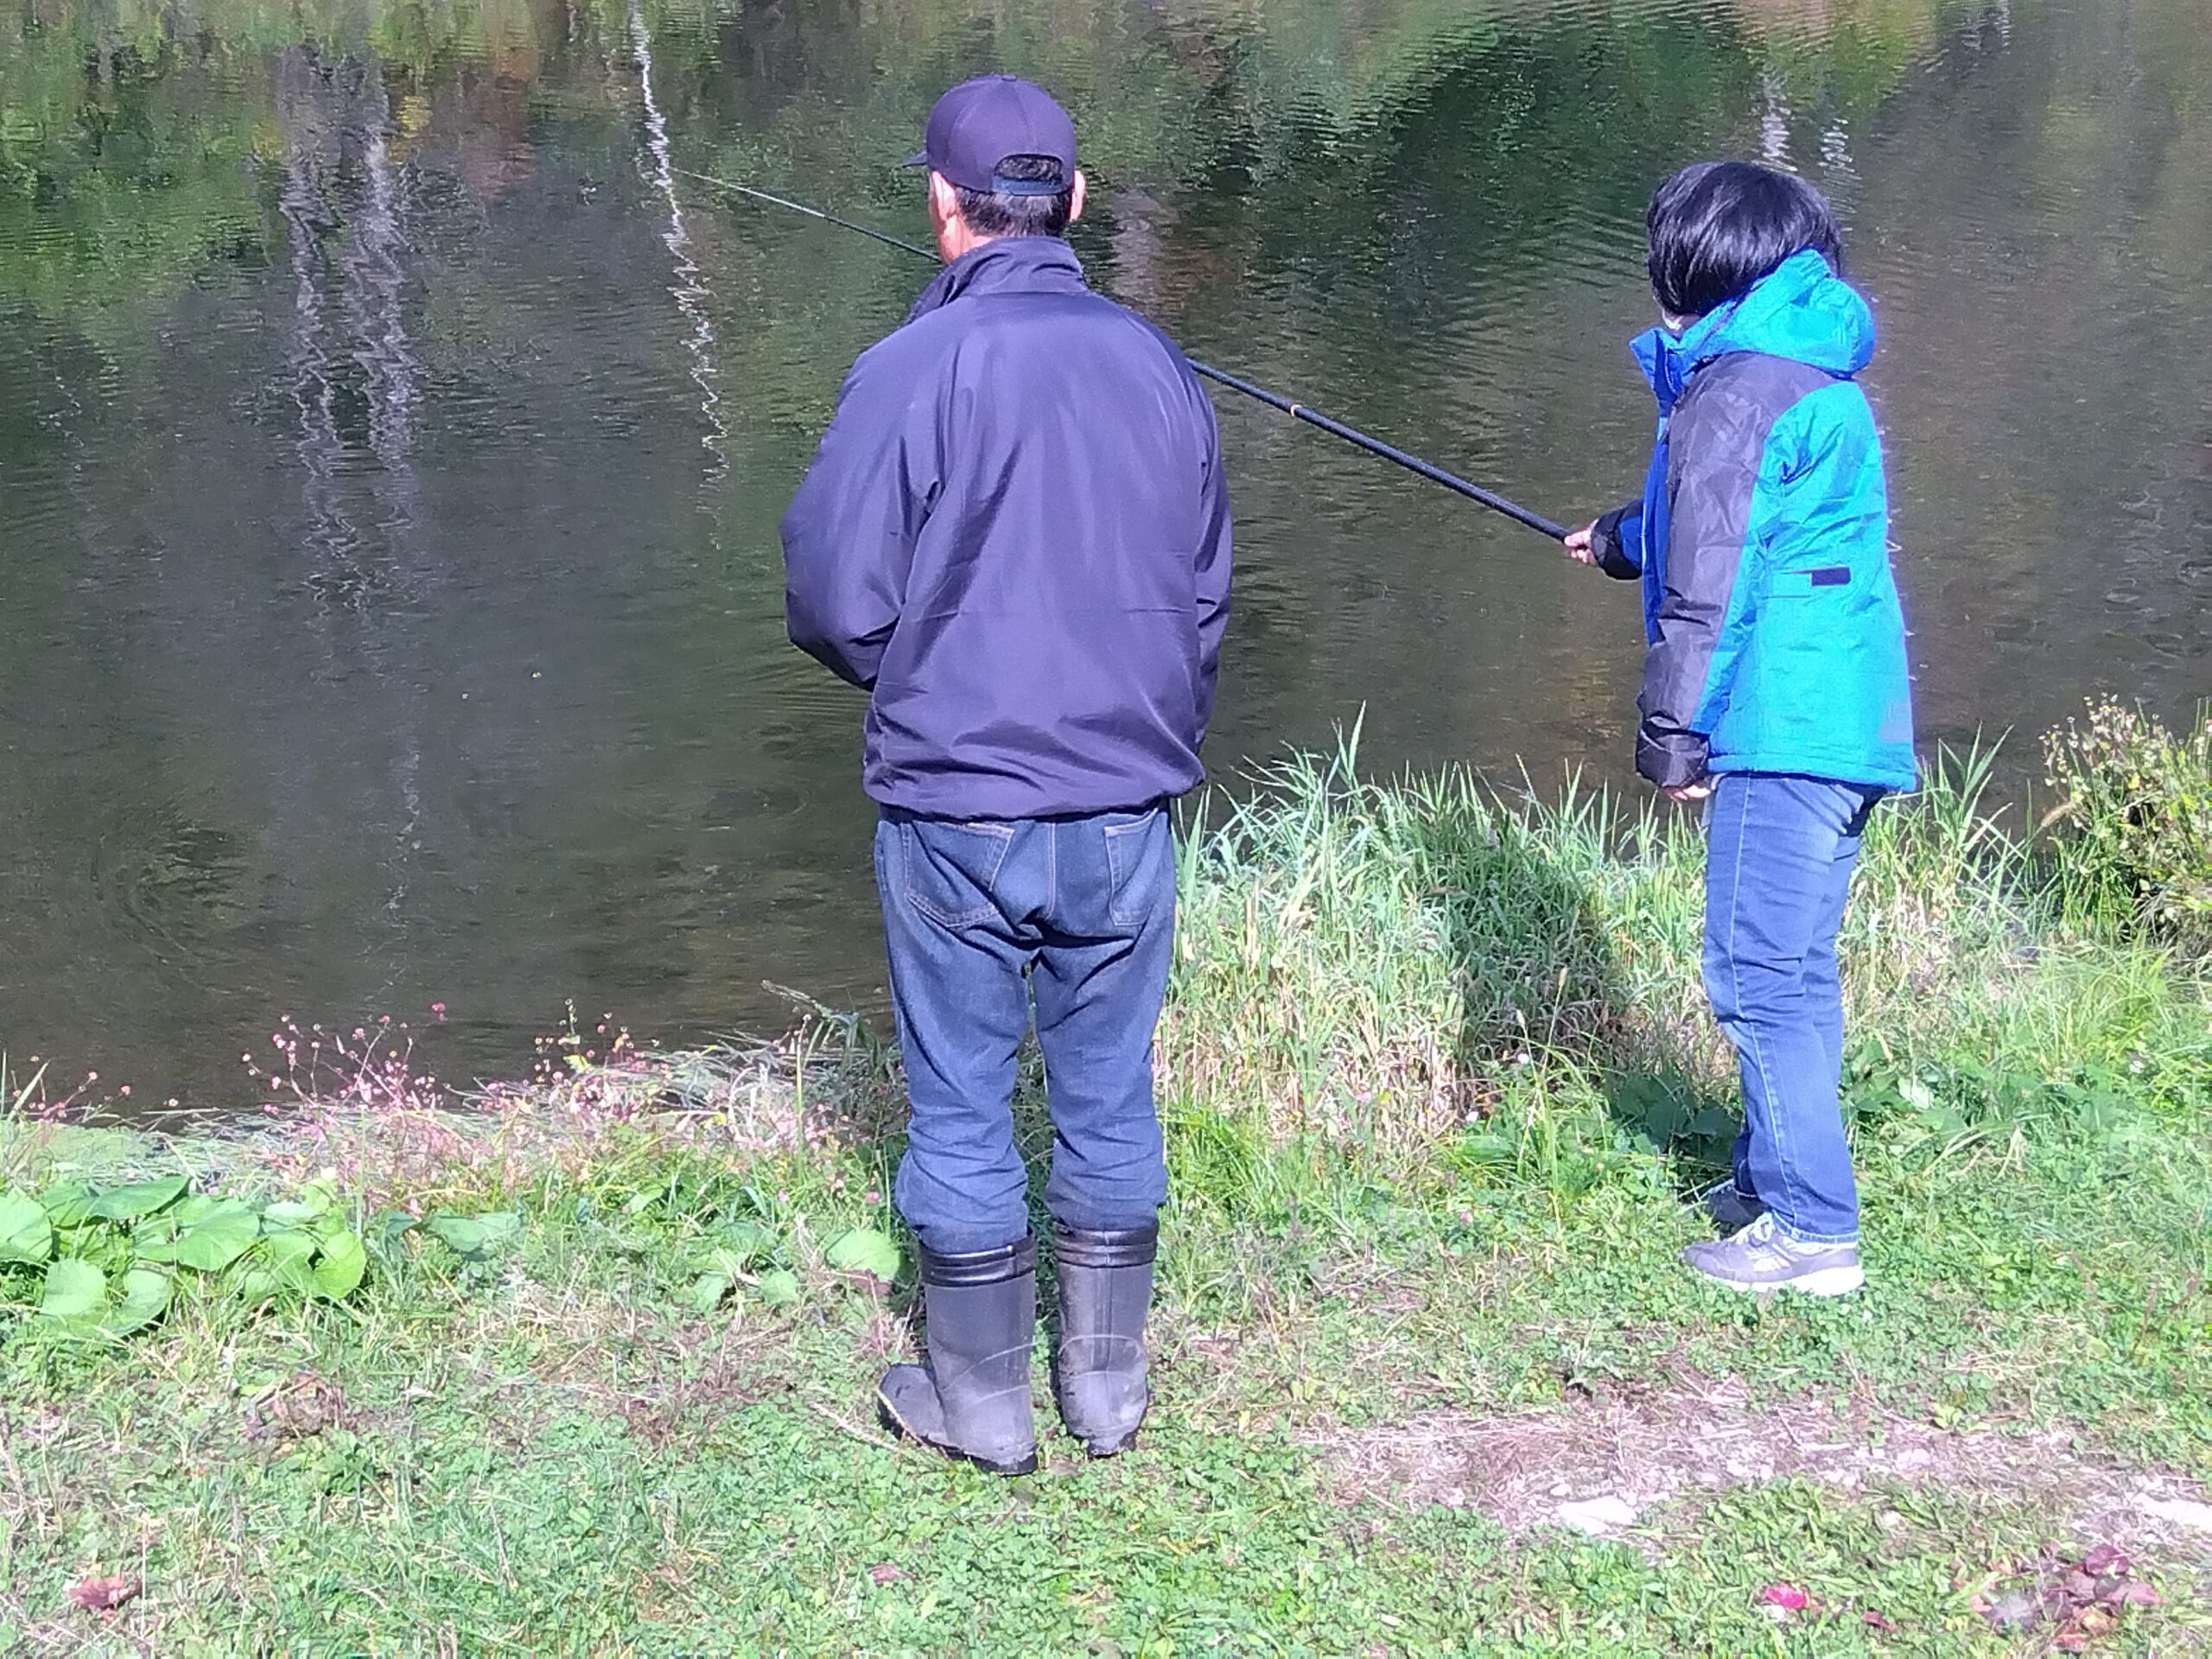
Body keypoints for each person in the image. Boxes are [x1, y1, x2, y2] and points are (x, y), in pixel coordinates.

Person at [780, 74, 1231, 1472]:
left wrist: (927, 686)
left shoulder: (909, 369)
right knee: (1108, 1092)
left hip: (956, 803)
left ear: (942, 204)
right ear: (1075, 201)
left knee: (964, 1099)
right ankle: (1106, 1388)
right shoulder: (1157, 365)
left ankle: (978, 1404)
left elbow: (831, 599)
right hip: (1125, 806)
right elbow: (1206, 596)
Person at [1564, 160, 1916, 1296]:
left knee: (1759, 972)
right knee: (1792, 965)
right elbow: (1741, 524)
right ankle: (1776, 1179)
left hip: (1783, 717)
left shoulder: (1737, 387)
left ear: (1690, 262)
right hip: (1841, 710)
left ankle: (1813, 1230)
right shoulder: (1800, 363)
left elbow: (1710, 591)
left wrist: (1673, 738)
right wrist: (1622, 536)